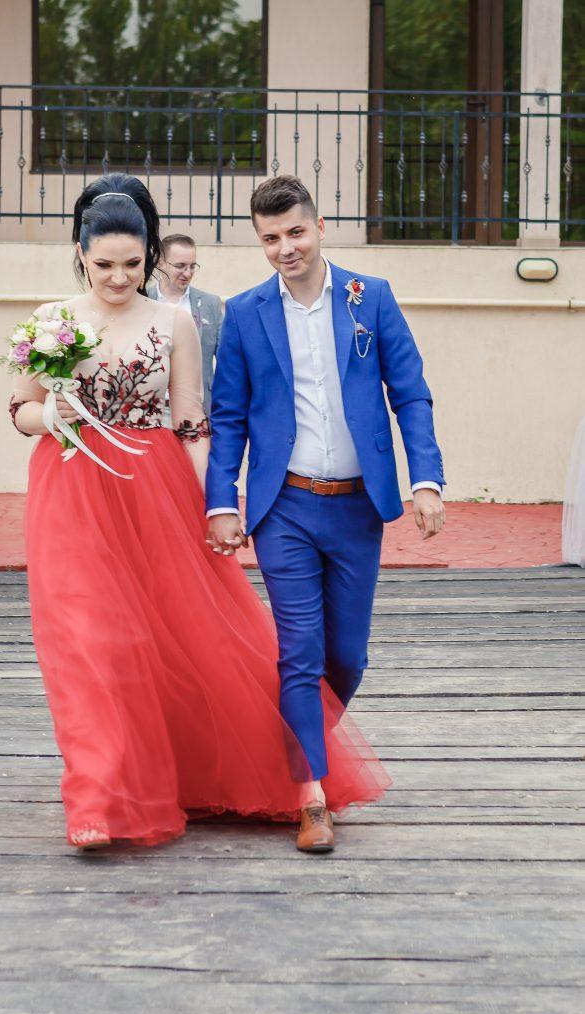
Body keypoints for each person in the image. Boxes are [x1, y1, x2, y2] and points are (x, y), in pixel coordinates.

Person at [8, 173, 390, 851]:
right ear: (80, 254)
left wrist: (217, 505)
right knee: (89, 643)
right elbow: (20, 410)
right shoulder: (50, 320)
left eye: (133, 264)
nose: (118, 278)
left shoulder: (173, 321)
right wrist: (54, 414)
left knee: (177, 639)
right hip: (71, 493)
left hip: (155, 488)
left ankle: (240, 767)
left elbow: (190, 421)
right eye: (104, 264)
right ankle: (97, 799)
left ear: (151, 258)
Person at [206, 174, 445, 853]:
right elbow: (228, 416)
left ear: (319, 228)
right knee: (300, 651)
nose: (285, 248)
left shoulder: (373, 298)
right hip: (283, 506)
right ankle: (310, 795)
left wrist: (426, 479)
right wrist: (221, 500)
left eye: (295, 232)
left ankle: (295, 743)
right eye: (270, 238)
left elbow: (411, 394)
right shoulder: (244, 313)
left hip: (356, 508)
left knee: (346, 656)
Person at [148, 234, 222, 416]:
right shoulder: (142, 299)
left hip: (198, 408)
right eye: (180, 266)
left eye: (192, 266)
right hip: (151, 410)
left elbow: (227, 359)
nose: (188, 273)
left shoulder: (210, 304)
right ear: (160, 263)